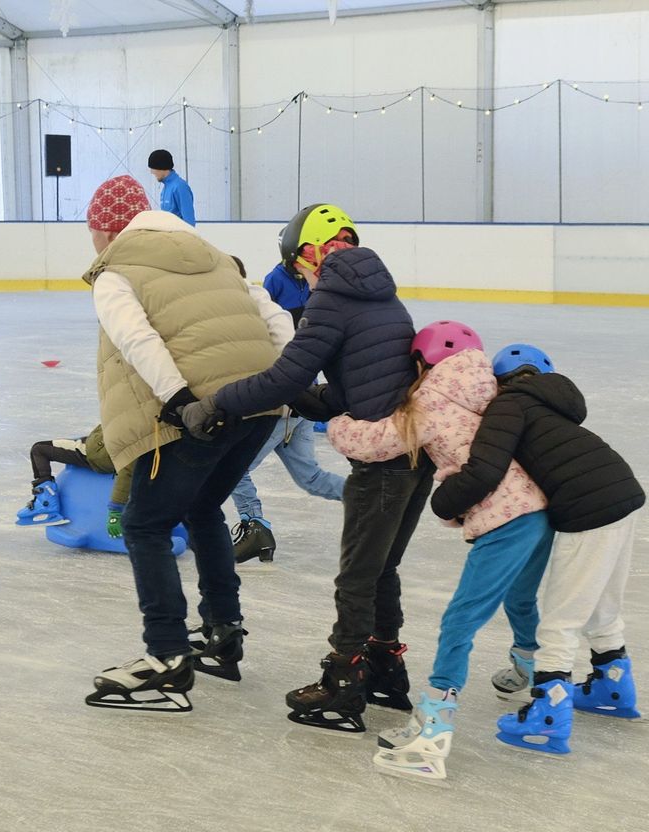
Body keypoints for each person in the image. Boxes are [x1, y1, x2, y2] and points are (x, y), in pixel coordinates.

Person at [179, 203, 425, 734]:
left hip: (381, 463)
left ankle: (344, 682)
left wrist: (221, 402)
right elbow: (348, 389)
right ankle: (386, 667)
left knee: (357, 576)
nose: (303, 277)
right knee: (381, 569)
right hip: (413, 454)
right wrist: (301, 403)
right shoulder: (382, 293)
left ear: (313, 252)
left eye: (300, 266)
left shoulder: (334, 297)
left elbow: (283, 377)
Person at [79, 174, 294, 713]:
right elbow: (275, 315)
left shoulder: (115, 271)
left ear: (105, 229)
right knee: (202, 508)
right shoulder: (217, 257)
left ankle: (167, 655)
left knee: (145, 524)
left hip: (197, 412)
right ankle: (223, 632)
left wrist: (178, 400)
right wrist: (293, 383)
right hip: (260, 403)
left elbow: (136, 337)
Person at [325, 323, 552, 782]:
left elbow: (375, 443)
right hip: (539, 509)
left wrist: (336, 422)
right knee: (520, 599)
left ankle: (433, 731)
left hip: (503, 518)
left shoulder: (428, 401)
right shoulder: (494, 390)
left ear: (422, 363)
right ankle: (535, 671)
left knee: (460, 621)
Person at [431, 343, 647, 757]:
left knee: (562, 618)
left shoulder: (509, 405)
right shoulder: (554, 405)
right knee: (602, 602)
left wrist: (444, 503)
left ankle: (547, 717)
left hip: (587, 507)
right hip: (623, 491)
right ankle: (613, 686)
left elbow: (485, 469)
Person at [226, 251, 346, 564]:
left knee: (231, 469)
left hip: (277, 410)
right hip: (300, 408)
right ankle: (365, 495)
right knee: (312, 478)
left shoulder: (242, 315)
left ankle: (256, 526)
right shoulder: (268, 308)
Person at [14, 424, 132, 531]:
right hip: (102, 444)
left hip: (95, 452)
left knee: (39, 450)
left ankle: (46, 503)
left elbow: (127, 470)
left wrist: (115, 510)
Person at [147, 149, 196, 226]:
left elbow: (189, 221)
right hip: (168, 235)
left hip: (178, 236)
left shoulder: (180, 187)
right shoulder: (166, 188)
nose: (152, 172)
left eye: (153, 168)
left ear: (162, 168)